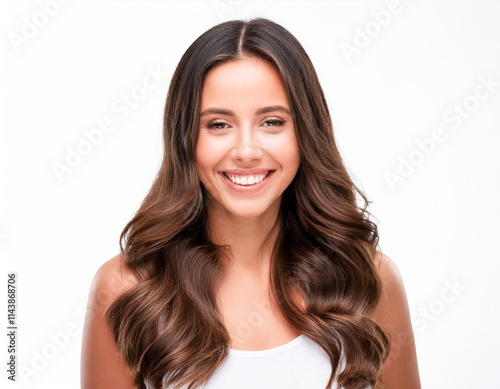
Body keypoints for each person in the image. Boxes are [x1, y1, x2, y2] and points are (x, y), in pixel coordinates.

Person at [81, 17, 421, 389]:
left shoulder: (368, 278)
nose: (246, 151)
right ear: (185, 139)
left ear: (305, 132)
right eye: (218, 125)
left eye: (272, 122)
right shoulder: (126, 288)